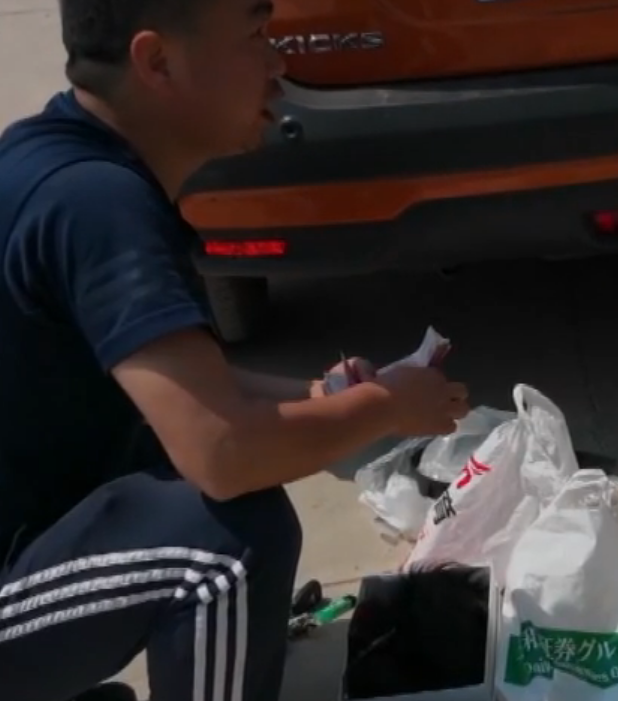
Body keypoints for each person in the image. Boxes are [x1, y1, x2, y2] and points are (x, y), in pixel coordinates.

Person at [0, 0, 472, 699]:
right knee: (224, 544)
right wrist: (385, 407)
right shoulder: (97, 204)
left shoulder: (52, 155)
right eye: (255, 35)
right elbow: (222, 451)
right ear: (157, 60)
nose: (277, 63)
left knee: (185, 468)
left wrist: (317, 395)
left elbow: (180, 386)